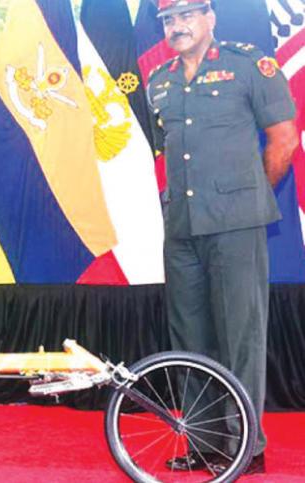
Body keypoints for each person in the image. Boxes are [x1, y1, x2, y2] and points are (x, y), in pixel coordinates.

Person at [148, 0, 298, 475]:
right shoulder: (159, 80)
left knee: (240, 336)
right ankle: (206, 441)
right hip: (183, 227)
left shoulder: (250, 65)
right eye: (169, 19)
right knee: (189, 338)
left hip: (236, 225)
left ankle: (247, 445)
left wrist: (248, 196)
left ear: (210, 18)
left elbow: (284, 140)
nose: (178, 26)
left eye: (187, 15)